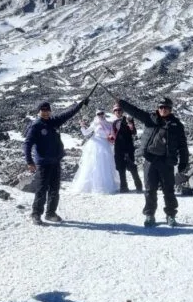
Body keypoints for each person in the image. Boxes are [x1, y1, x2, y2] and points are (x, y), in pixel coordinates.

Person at [115, 96, 189, 228]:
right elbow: (135, 112)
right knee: (149, 189)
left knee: (169, 190)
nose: (163, 110)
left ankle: (170, 215)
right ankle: (150, 215)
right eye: (161, 107)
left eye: (166, 107)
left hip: (167, 162)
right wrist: (122, 104)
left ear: (171, 109)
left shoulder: (177, 125)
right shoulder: (150, 119)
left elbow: (183, 146)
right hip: (150, 160)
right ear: (157, 108)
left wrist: (184, 161)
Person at [23, 96, 88, 225]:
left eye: (48, 109)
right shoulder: (35, 126)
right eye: (43, 109)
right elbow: (27, 144)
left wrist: (80, 104)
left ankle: (50, 213)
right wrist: (29, 162)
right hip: (43, 163)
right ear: (39, 111)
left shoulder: (54, 122)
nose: (46, 112)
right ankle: (36, 214)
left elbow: (68, 114)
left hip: (55, 161)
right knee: (41, 189)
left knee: (54, 189)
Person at [69, 110, 120, 194]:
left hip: (105, 145)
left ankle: (105, 185)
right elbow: (85, 133)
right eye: (98, 114)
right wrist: (82, 126)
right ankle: (90, 186)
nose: (100, 115)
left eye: (101, 113)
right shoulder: (95, 124)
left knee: (105, 165)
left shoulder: (109, 124)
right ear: (96, 115)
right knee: (94, 165)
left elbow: (113, 134)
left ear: (104, 114)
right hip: (95, 145)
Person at [110, 105, 143, 193]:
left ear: (122, 111)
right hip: (118, 147)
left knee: (132, 167)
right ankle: (123, 187)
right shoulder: (112, 122)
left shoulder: (128, 119)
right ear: (114, 111)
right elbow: (112, 135)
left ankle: (138, 186)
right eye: (116, 110)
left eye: (119, 109)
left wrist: (131, 125)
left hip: (128, 147)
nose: (118, 111)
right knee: (121, 168)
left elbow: (134, 132)